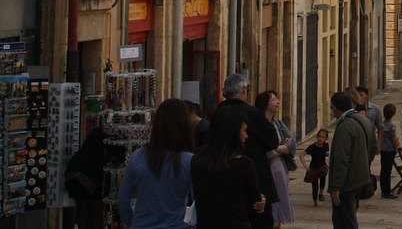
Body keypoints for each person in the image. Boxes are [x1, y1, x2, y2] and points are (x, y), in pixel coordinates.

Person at [117, 98, 194, 228]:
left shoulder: (137, 157)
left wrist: (133, 223)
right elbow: (199, 201)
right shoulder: (189, 161)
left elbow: (123, 201)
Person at [217, 74, 279, 229]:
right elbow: (272, 141)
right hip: (255, 180)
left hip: (222, 177)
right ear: (243, 90)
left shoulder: (218, 114)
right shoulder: (252, 114)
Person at [191, 106, 266, 228]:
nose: (246, 136)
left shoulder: (197, 160)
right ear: (234, 134)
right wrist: (261, 201)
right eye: (244, 131)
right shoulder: (243, 164)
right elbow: (255, 203)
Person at [326, 91, 373, 229]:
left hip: (347, 184)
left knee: (344, 221)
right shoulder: (364, 120)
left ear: (335, 108)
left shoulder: (345, 126)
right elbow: (373, 148)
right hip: (360, 179)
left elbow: (341, 159)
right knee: (350, 217)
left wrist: (336, 187)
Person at [253, 90, 295, 227]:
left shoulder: (279, 125)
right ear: (265, 104)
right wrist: (282, 148)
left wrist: (276, 148)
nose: (278, 102)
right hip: (265, 172)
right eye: (274, 100)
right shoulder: (258, 126)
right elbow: (267, 153)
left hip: (280, 171)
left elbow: (292, 145)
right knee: (270, 209)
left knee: (280, 205)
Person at [65, 124, 106, 229]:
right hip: (91, 179)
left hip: (74, 179)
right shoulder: (100, 151)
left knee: (83, 212)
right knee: (96, 213)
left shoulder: (85, 152)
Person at [300, 129, 330, 207]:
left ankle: (321, 193)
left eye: (323, 137)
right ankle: (315, 201)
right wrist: (305, 165)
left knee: (323, 176)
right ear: (317, 137)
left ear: (326, 139)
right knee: (315, 185)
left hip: (322, 166)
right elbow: (301, 155)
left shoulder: (326, 146)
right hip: (313, 168)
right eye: (319, 136)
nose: (321, 139)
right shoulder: (312, 147)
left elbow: (326, 153)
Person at [378, 104, 399, 200]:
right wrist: (396, 149)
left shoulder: (382, 124)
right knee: (388, 171)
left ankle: (383, 189)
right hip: (389, 150)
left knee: (383, 170)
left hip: (383, 149)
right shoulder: (392, 125)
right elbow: (393, 139)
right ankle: (387, 191)